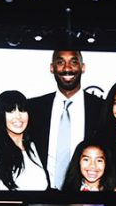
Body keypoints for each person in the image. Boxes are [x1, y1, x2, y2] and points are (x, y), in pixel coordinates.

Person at [27, 49, 104, 190]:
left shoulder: (101, 109)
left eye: (74, 62)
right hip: (41, 195)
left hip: (86, 197)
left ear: (83, 67)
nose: (67, 68)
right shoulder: (33, 108)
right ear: (52, 68)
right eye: (60, 62)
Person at [0, 90, 49, 190]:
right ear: (1, 115)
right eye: (11, 110)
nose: (18, 116)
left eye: (22, 110)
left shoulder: (34, 147)